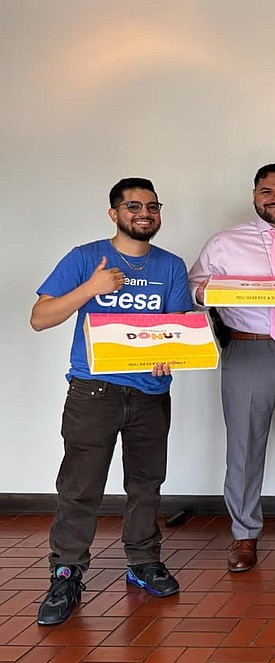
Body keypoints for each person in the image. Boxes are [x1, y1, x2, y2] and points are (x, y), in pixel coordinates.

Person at [31, 178, 191, 626]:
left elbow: (175, 327)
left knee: (146, 484)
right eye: (134, 205)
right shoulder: (86, 258)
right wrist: (91, 288)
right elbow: (40, 318)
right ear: (114, 213)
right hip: (93, 393)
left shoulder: (172, 266)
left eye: (152, 206)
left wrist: (170, 355)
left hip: (150, 394)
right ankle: (66, 573)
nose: (145, 213)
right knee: (80, 488)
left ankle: (142, 563)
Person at [188, 164, 275, 572]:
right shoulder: (225, 241)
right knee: (244, 447)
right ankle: (244, 534)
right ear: (254, 195)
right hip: (247, 353)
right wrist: (216, 290)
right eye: (267, 192)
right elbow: (195, 289)